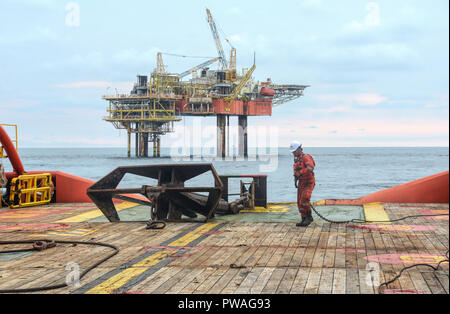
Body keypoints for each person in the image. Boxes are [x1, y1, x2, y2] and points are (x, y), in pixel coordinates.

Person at [290, 141, 316, 227]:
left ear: (299, 149)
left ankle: (309, 216)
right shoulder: (297, 160)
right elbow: (296, 171)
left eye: (294, 151)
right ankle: (303, 218)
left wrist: (300, 172)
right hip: (301, 182)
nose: (293, 153)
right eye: (292, 152)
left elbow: (310, 167)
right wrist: (295, 179)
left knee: (305, 198)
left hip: (308, 182)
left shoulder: (306, 157)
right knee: (300, 202)